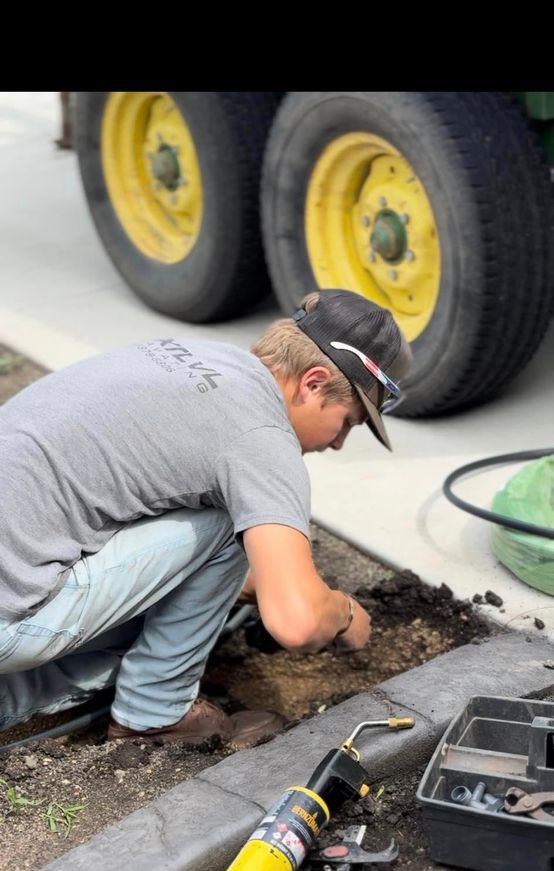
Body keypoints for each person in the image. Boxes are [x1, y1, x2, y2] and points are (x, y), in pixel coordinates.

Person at [0, 289, 411, 749]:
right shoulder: (260, 439)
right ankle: (153, 713)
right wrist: (343, 614)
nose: (338, 444)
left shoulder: (193, 358)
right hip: (9, 618)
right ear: (313, 384)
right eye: (349, 421)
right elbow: (298, 623)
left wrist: (252, 585)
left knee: (193, 546)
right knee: (229, 523)